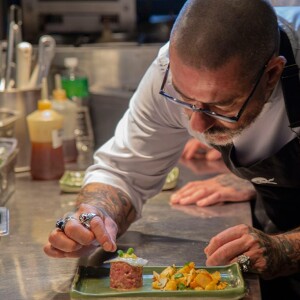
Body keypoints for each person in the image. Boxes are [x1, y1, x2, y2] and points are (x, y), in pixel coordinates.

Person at [44, 1, 300, 298]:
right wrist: (95, 215)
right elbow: (124, 171)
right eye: (184, 100)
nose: (198, 124)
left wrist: (285, 249)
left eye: (221, 107)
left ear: (271, 75)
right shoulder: (172, 70)